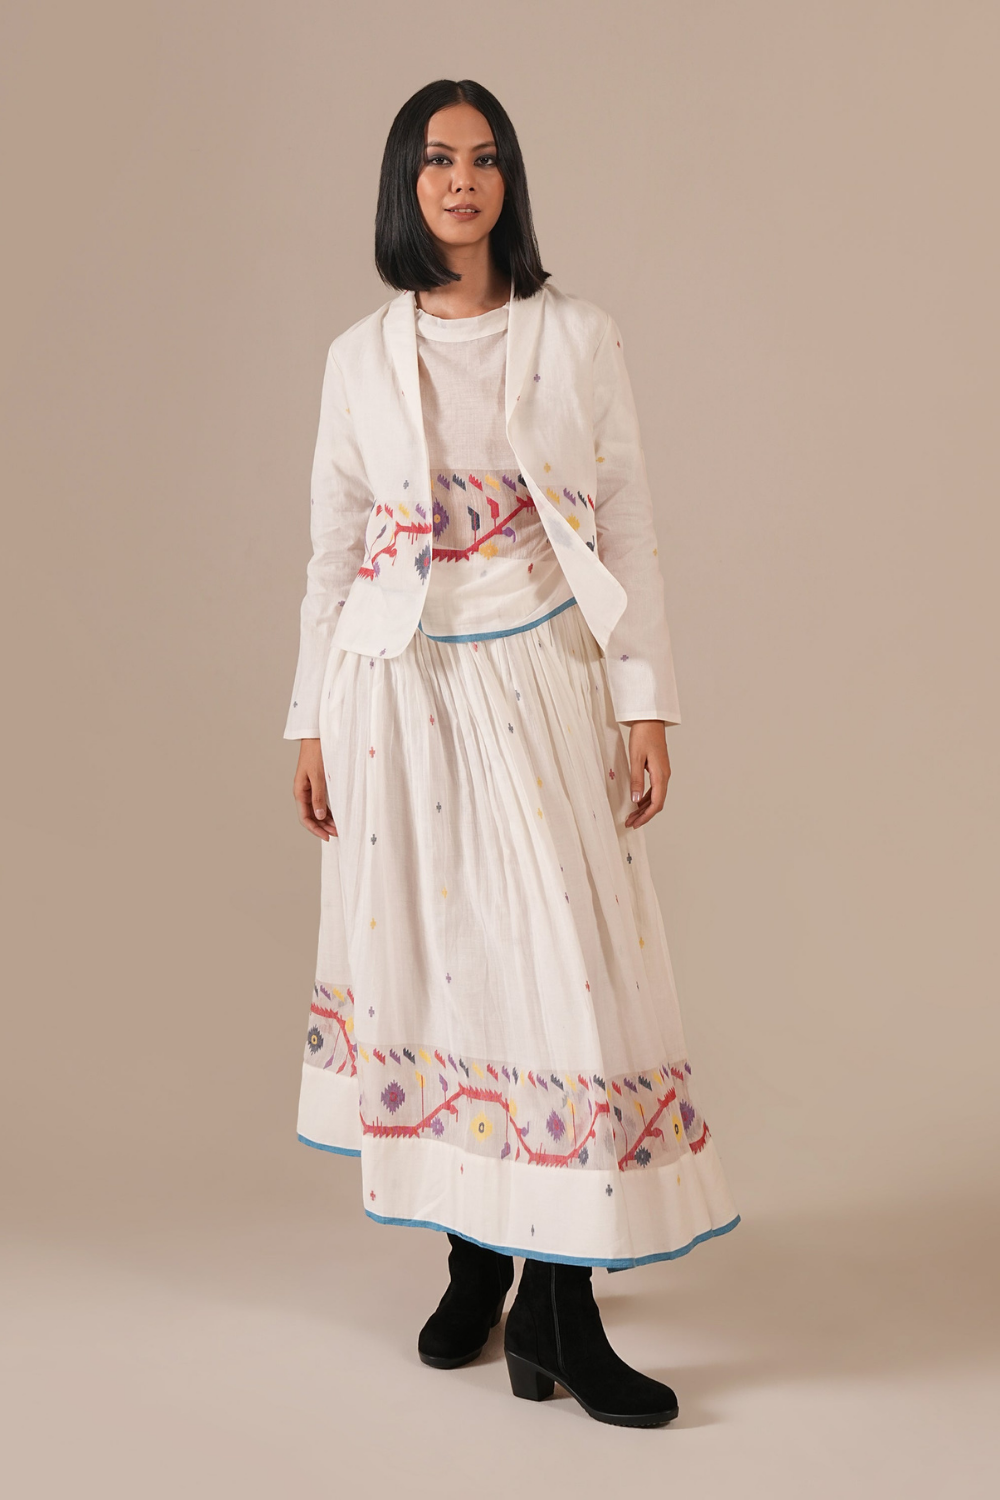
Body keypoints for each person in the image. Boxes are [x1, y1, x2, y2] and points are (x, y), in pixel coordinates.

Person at [284, 78, 739, 1429]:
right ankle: (477, 1258)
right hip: (396, 690)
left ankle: (560, 1304)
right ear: (405, 183)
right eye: (437, 160)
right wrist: (308, 719)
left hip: (541, 674)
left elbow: (628, 523)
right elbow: (331, 550)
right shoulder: (358, 358)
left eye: (483, 159)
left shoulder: (578, 337)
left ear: (509, 181)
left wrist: (645, 702)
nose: (461, 181)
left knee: (562, 975)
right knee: (447, 970)